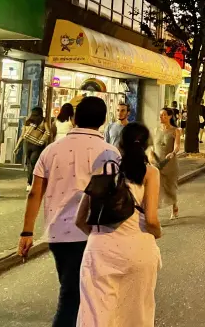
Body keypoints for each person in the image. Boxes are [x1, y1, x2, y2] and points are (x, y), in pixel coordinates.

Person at [18, 96, 120, 327]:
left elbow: (35, 193)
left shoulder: (51, 151)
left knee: (73, 291)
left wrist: (26, 232)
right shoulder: (110, 153)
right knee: (80, 296)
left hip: (59, 233)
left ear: (74, 119)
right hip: (97, 233)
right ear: (103, 121)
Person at [75, 122, 162, 327]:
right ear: (147, 145)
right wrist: (156, 233)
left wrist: (102, 237)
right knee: (136, 315)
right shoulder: (150, 173)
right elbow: (151, 220)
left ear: (119, 144)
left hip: (100, 252)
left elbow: (80, 219)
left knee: (96, 316)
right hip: (138, 250)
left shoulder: (102, 170)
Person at [150, 108, 181, 219]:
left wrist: (173, 153)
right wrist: (150, 155)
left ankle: (174, 206)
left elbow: (177, 146)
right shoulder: (155, 130)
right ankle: (154, 213)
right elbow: (152, 146)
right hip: (157, 163)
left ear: (169, 117)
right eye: (160, 115)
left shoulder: (176, 131)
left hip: (170, 163)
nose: (161, 117)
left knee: (170, 186)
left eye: (163, 115)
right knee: (156, 188)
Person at [15, 107, 50, 192]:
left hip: (27, 144)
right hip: (37, 146)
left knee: (29, 164)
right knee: (35, 164)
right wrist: (41, 141)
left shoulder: (27, 121)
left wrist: (17, 146)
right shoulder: (43, 121)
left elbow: (22, 135)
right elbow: (48, 132)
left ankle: (29, 184)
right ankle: (34, 183)